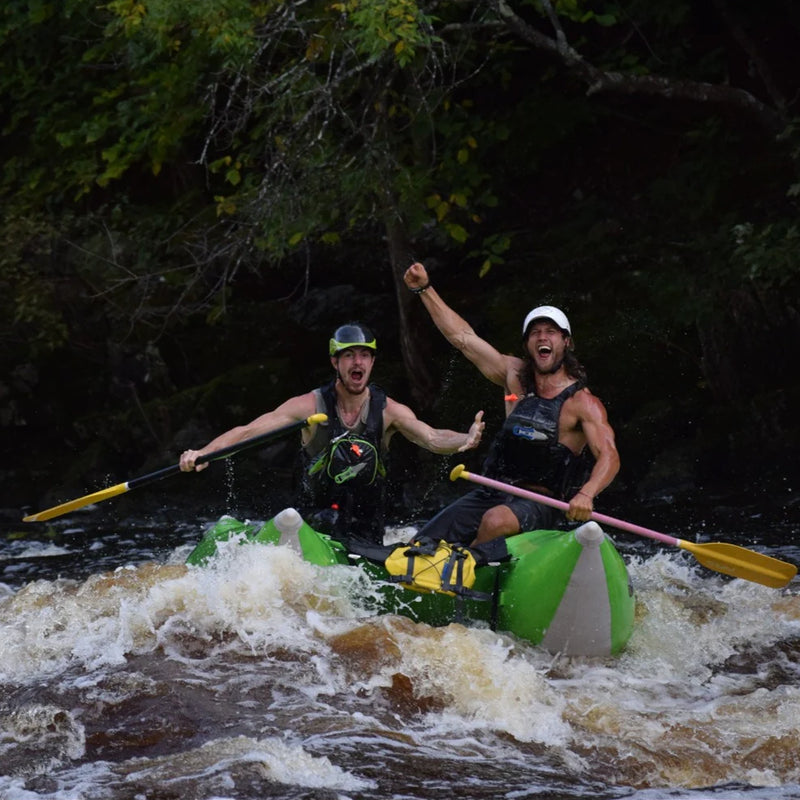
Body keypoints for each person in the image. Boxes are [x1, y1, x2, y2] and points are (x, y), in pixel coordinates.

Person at [179, 322, 484, 547]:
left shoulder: (389, 410)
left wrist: (464, 439)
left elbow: (431, 438)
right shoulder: (310, 406)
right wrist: (205, 453)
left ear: (372, 362)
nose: (358, 362)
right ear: (335, 362)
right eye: (349, 355)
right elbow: (249, 432)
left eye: (365, 355)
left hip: (367, 530)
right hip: (312, 525)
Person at [403, 262, 619, 547]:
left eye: (551, 332)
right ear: (528, 344)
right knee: (420, 544)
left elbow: (609, 456)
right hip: (493, 492)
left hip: (543, 505)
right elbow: (463, 339)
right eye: (535, 332)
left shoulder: (582, 403)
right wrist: (424, 289)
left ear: (566, 342)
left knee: (496, 521)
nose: (543, 337)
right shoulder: (514, 376)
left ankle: (466, 570)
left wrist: (587, 493)